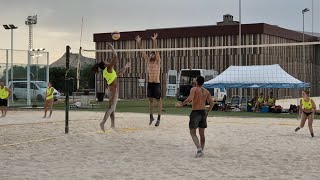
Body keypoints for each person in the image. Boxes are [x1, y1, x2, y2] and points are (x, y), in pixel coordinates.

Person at [92, 42, 130, 132]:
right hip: (113, 89)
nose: (107, 61)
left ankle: (113, 125)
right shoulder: (108, 68)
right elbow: (116, 56)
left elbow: (118, 74)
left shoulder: (108, 71)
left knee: (112, 108)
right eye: (105, 61)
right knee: (112, 108)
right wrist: (111, 47)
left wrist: (125, 67)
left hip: (111, 89)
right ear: (105, 65)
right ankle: (102, 123)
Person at [176, 76, 214, 158]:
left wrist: (181, 104)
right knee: (202, 134)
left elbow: (190, 99)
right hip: (203, 112)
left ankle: (199, 150)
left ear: (196, 81)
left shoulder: (194, 89)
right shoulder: (206, 91)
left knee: (192, 132)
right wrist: (208, 111)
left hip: (196, 112)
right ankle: (201, 150)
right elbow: (212, 102)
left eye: (195, 79)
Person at [135, 33, 162, 127]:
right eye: (150, 54)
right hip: (150, 83)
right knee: (150, 100)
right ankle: (151, 117)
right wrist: (139, 43)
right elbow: (142, 52)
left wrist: (154, 40)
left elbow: (157, 51)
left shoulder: (157, 61)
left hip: (157, 83)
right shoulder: (148, 61)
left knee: (158, 100)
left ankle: (159, 118)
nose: (151, 55)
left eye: (152, 54)